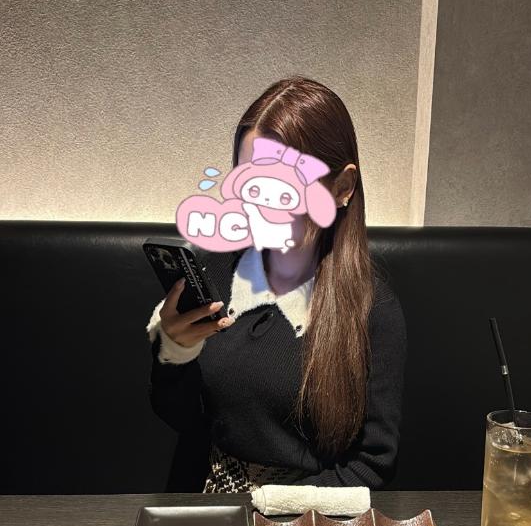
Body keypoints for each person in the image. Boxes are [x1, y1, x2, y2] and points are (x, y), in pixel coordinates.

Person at [145, 75, 407, 492]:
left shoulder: (373, 309)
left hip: (307, 519)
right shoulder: (217, 272)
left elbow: (372, 464)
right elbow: (183, 420)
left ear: (342, 187)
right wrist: (173, 352)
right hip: (210, 505)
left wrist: (274, 512)